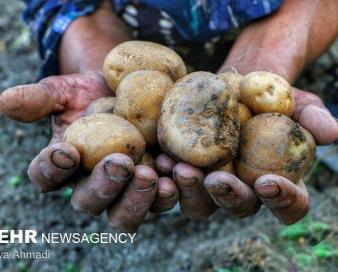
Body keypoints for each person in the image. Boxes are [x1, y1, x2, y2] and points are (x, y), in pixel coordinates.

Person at [0, 0, 337, 233]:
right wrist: (92, 55)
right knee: (158, 173)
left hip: (274, 23)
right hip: (132, 26)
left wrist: (268, 59)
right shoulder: (149, 93)